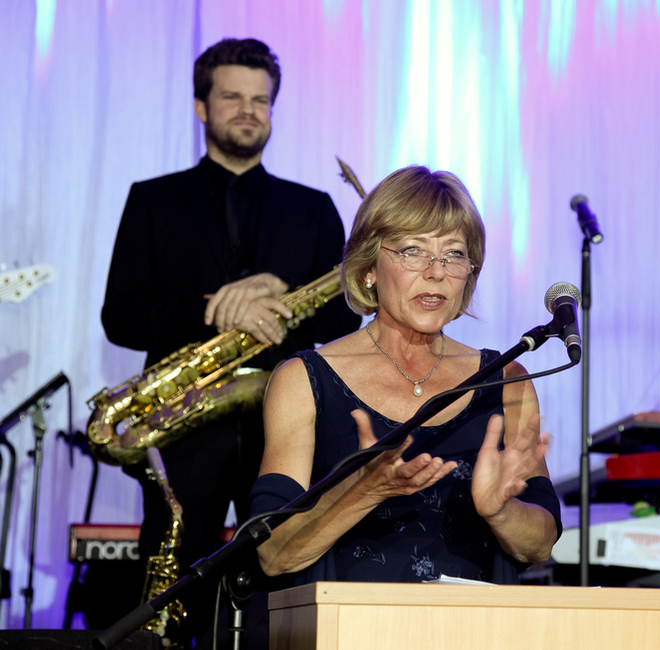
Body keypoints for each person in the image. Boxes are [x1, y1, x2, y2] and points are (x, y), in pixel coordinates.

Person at [100, 38, 361, 641]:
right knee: (169, 589)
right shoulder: (151, 199)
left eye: (261, 100)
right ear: (200, 107)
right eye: (232, 97)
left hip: (288, 426)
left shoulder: (316, 207)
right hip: (186, 424)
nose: (249, 109)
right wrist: (215, 311)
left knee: (282, 586)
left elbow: (343, 325)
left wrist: (280, 299)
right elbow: (122, 317)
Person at [249, 165, 562, 586]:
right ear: (368, 268)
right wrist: (364, 490)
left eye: (454, 253)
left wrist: (501, 512)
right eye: (413, 250)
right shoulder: (304, 380)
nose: (436, 271)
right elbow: (271, 554)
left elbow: (539, 544)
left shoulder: (506, 379)